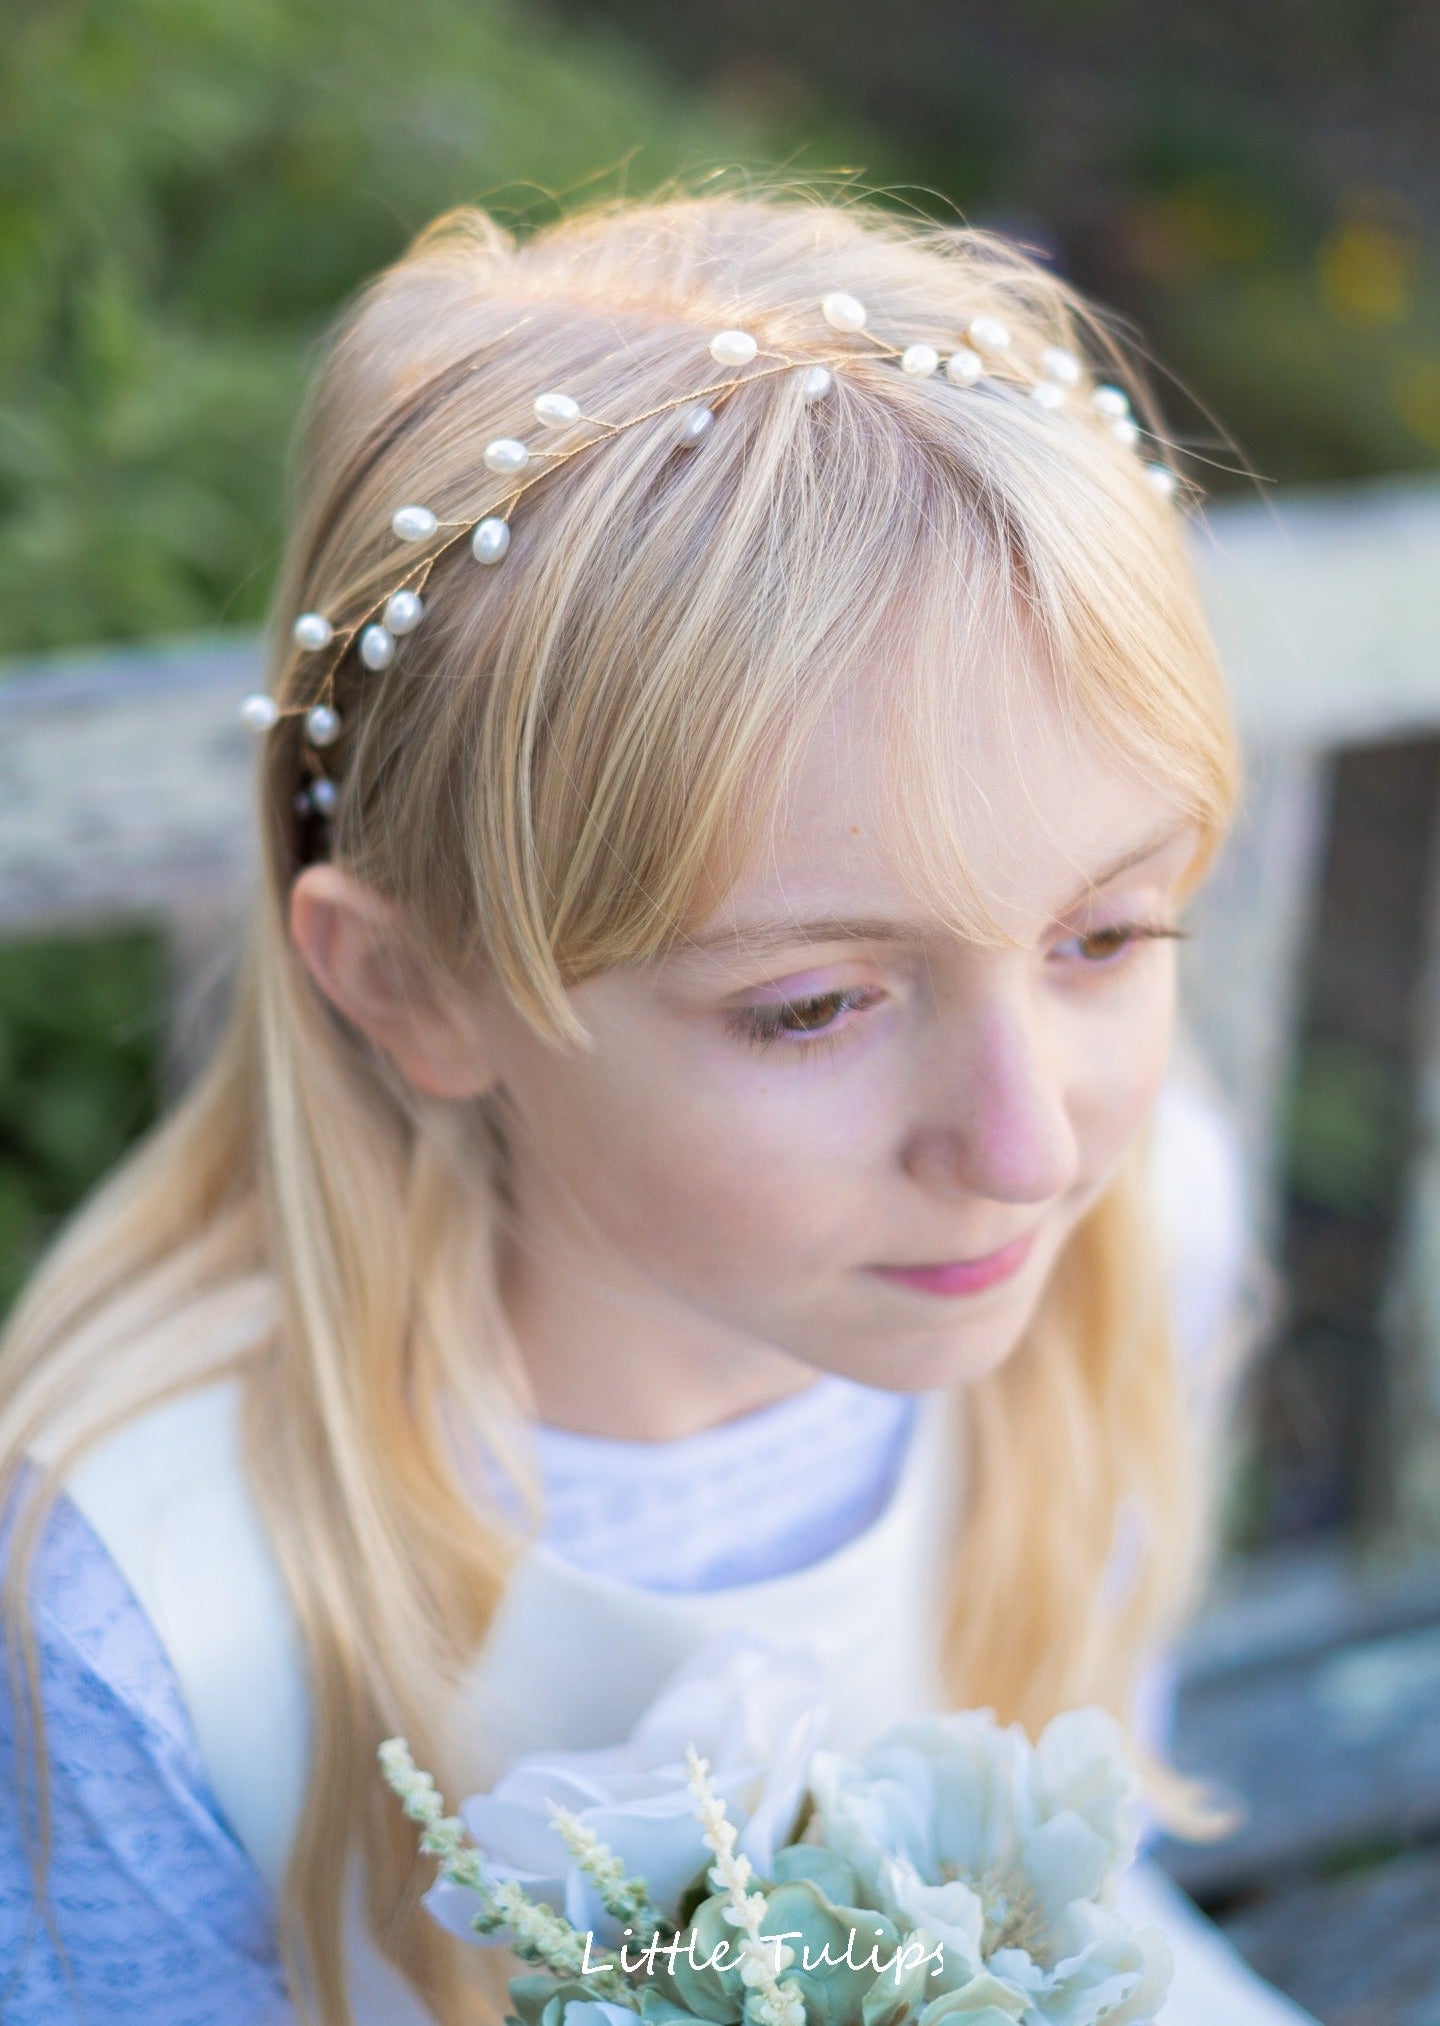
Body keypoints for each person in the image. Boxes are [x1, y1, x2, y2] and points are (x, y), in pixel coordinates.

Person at [0, 186, 1315, 2025]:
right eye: (815, 1005)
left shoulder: (1127, 1241)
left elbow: (1085, 1878)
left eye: (1106, 932)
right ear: (411, 987)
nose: (1028, 1149)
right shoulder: (160, 1608)